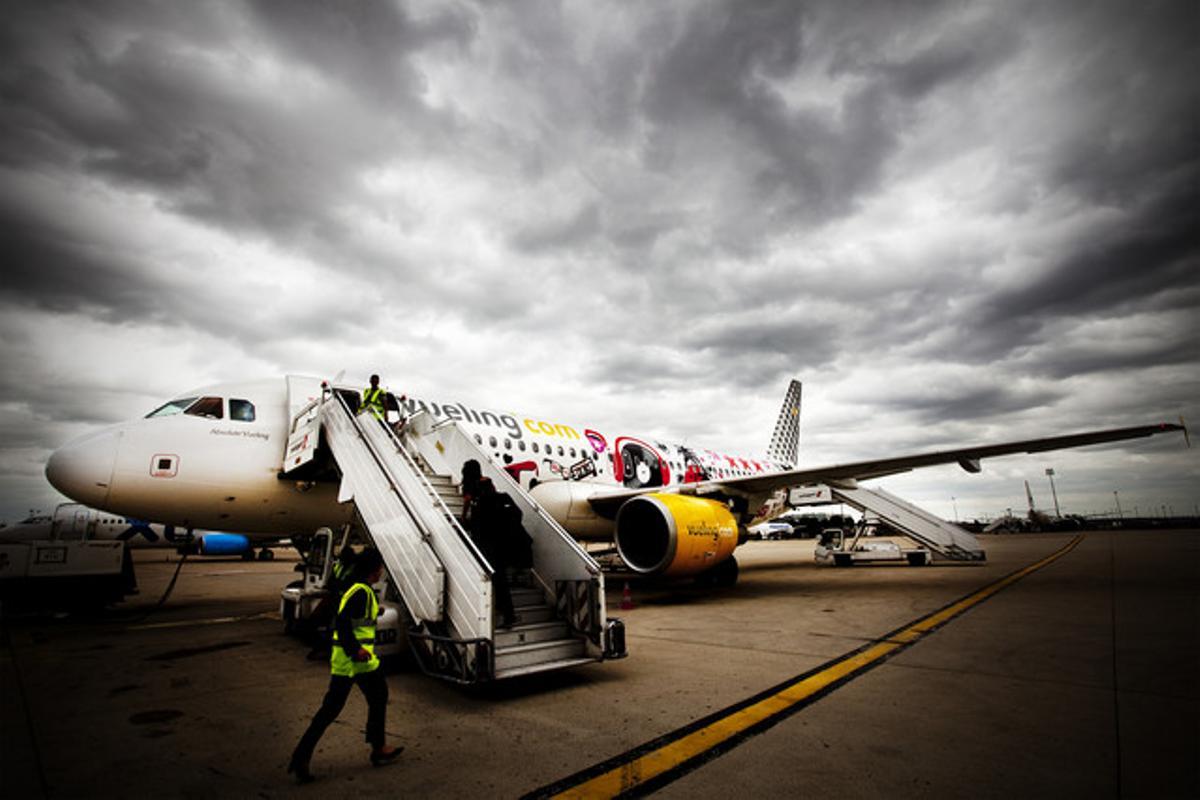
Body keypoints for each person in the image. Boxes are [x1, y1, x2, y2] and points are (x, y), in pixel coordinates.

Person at [288, 548, 401, 783]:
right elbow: (342, 622)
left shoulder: (359, 588)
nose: (381, 571)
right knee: (331, 709)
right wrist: (355, 649)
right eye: (380, 567)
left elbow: (356, 616)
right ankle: (301, 756)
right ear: (373, 570)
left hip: (361, 662)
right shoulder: (361, 591)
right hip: (352, 660)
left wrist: (375, 612)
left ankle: (378, 747)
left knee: (379, 696)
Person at [460, 460, 517, 628]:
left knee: (485, 571)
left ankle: (492, 610)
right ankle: (508, 613)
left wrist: (463, 518)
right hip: (497, 534)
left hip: (483, 534)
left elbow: (467, 501)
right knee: (500, 576)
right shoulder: (488, 482)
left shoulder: (470, 485)